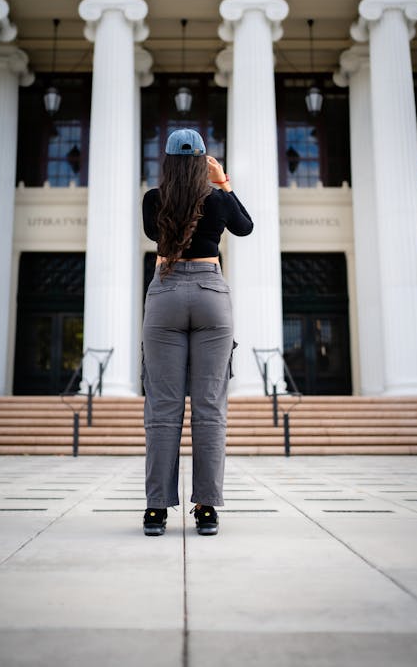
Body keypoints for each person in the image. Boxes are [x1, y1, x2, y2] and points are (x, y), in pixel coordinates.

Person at [141, 128, 253, 536]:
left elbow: (156, 236)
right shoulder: (219, 198)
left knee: (163, 409)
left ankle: (156, 510)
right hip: (210, 290)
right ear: (204, 159)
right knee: (209, 408)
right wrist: (221, 182)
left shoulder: (155, 199)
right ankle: (206, 508)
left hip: (166, 290)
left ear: (168, 161)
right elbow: (245, 228)